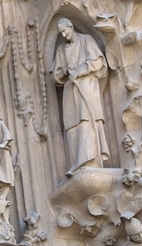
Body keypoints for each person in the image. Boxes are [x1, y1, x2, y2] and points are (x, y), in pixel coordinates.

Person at [51, 18, 110, 175]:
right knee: (72, 124)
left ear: (71, 27)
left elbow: (98, 62)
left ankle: (91, 160)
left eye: (65, 31)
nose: (63, 35)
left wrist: (79, 70)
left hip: (87, 86)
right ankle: (76, 162)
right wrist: (65, 71)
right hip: (70, 91)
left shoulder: (86, 40)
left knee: (86, 119)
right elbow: (55, 75)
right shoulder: (61, 50)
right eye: (61, 33)